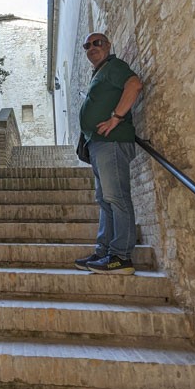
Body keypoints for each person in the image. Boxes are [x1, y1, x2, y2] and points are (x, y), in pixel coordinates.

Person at [75, 33, 143, 275]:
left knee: (117, 198)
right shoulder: (100, 72)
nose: (91, 48)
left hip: (112, 142)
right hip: (99, 145)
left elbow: (134, 85)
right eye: (87, 45)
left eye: (97, 43)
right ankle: (104, 252)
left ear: (108, 46)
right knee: (105, 200)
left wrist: (116, 117)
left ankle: (121, 257)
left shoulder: (114, 66)